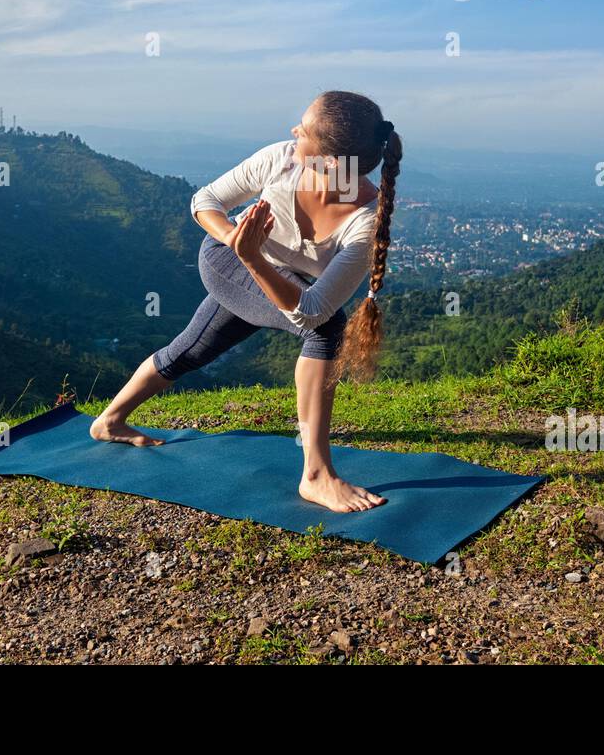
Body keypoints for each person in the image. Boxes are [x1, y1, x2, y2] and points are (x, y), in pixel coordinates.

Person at [90, 90, 402, 513]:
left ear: (330, 161)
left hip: (275, 282)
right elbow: (205, 201)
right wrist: (238, 243)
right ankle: (316, 475)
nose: (294, 131)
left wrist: (255, 258)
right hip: (225, 261)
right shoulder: (283, 159)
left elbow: (309, 308)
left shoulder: (365, 221)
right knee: (328, 332)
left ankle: (109, 421)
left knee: (193, 349)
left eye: (304, 128)